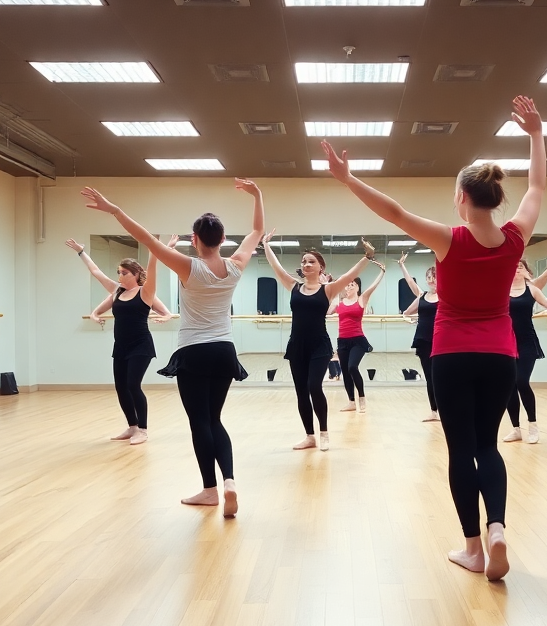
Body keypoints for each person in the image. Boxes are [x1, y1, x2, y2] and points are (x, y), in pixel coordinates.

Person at [319, 95, 547, 582]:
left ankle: (472, 548)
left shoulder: (450, 239)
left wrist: (346, 178)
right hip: (500, 356)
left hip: (452, 356)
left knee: (458, 451)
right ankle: (499, 528)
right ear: (495, 200)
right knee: (489, 447)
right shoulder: (514, 239)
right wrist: (535, 134)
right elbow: (537, 189)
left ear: (462, 197)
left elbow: (394, 213)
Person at [81, 180, 265, 518]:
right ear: (223, 239)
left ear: (195, 239)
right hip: (225, 350)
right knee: (215, 419)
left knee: (200, 423)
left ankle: (210, 490)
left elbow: (147, 239)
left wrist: (115, 210)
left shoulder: (189, 266)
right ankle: (229, 480)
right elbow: (257, 229)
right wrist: (257, 195)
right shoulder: (236, 265)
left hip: (194, 352)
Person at [262, 231, 375, 451]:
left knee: (314, 386)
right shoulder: (294, 287)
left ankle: (323, 432)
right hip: (297, 346)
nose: (306, 264)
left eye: (311, 261)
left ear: (320, 267)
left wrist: (367, 257)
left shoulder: (328, 290)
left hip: (319, 346)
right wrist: (266, 244)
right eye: (304, 261)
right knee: (301, 392)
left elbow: (349, 275)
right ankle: (309, 436)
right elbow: (276, 267)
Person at [87, 248, 161, 445]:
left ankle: (143, 430)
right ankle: (132, 426)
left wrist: (156, 249)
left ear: (136, 274)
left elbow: (153, 271)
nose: (120, 276)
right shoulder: (117, 292)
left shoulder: (145, 292)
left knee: (132, 385)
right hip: (121, 346)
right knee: (121, 387)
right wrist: (81, 252)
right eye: (119, 272)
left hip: (141, 345)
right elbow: (96, 272)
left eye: (124, 272)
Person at [503, 244, 547, 444]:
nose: (516, 269)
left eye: (520, 267)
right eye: (514, 266)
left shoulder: (532, 290)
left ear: (527, 272)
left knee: (521, 381)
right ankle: (516, 429)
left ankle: (533, 425)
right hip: (506, 342)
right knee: (509, 385)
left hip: (527, 342)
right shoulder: (502, 291)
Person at [330, 259, 386, 412]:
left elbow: (373, 287)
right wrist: (325, 283)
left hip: (358, 340)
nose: (349, 287)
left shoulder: (361, 300)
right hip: (342, 341)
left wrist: (382, 272)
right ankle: (351, 402)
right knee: (346, 373)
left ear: (357, 287)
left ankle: (361, 397)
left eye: (352, 284)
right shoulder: (339, 303)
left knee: (352, 367)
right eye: (347, 285)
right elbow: (326, 309)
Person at [399, 252, 440, 421]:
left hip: (440, 340)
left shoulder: (446, 295)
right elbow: (410, 284)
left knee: (440, 376)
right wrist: (402, 265)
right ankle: (434, 411)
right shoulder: (422, 296)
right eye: (428, 277)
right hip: (423, 339)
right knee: (429, 377)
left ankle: (446, 409)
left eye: (434, 277)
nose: (431, 280)